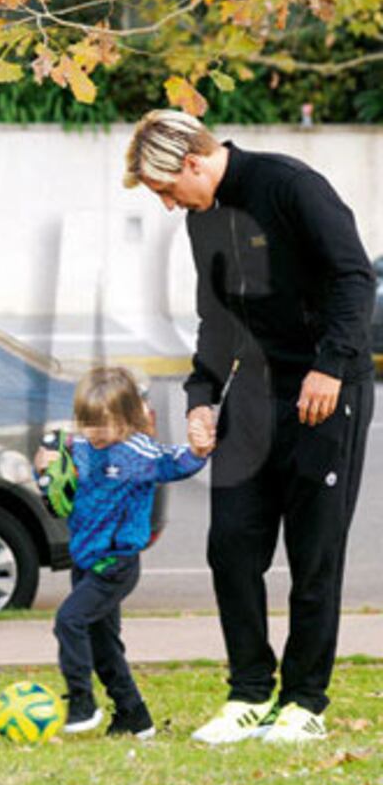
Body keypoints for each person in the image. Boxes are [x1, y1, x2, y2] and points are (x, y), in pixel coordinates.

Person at [124, 110, 375, 743]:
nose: (165, 205)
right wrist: (203, 396)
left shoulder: (291, 186)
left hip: (326, 390)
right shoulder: (203, 219)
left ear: (192, 163)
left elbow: (354, 277)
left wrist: (332, 367)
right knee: (230, 545)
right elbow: (217, 318)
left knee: (314, 552)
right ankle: (249, 694)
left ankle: (304, 703)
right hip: (253, 399)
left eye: (164, 190)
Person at [36, 367, 208, 739]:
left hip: (115, 563)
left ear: (128, 419)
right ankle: (135, 716)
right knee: (103, 646)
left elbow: (174, 461)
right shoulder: (80, 446)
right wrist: (43, 468)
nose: (94, 433)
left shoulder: (135, 452)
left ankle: (81, 702)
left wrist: (197, 451)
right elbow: (57, 465)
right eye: (87, 423)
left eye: (103, 424)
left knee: (69, 620)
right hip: (84, 561)